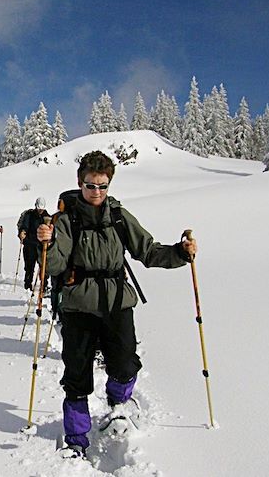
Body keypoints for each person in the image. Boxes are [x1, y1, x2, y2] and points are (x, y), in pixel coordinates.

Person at [36, 150, 197, 459]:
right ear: (79, 183)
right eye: (90, 185)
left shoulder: (120, 216)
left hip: (117, 303)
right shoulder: (66, 220)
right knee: (77, 376)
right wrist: (48, 242)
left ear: (109, 184)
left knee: (124, 364)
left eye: (102, 185)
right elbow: (54, 266)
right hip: (78, 306)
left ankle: (119, 403)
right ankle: (76, 438)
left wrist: (180, 253)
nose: (96, 192)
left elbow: (147, 251)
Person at [17, 197, 51, 290]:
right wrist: (22, 231)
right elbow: (25, 226)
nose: (40, 210)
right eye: (39, 208)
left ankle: (44, 286)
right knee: (29, 266)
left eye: (42, 208)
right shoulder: (29, 215)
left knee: (44, 267)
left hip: (41, 246)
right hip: (29, 245)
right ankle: (28, 285)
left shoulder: (47, 216)